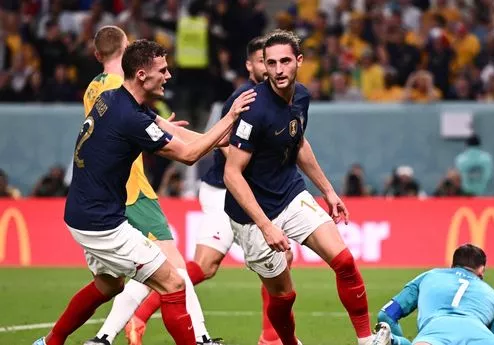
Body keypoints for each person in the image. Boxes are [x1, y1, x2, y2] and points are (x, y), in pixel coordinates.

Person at [32, 39, 255, 345]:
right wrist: (229, 120)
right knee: (173, 283)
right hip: (102, 223)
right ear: (141, 74)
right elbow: (188, 155)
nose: (168, 76)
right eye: (162, 70)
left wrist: (219, 140)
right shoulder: (130, 118)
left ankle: (51, 342)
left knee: (108, 284)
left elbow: (176, 135)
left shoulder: (113, 99)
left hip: (81, 211)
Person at [125, 35, 291, 345]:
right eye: (261, 62)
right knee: (218, 264)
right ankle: (140, 313)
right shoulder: (245, 98)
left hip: (243, 193)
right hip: (225, 193)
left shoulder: (275, 99)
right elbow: (231, 152)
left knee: (229, 264)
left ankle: (270, 338)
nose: (268, 69)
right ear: (250, 65)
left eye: (272, 62)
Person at [223, 29, 373, 345]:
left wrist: (329, 191)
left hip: (290, 193)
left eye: (285, 61)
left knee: (344, 262)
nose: (278, 70)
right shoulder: (254, 108)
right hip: (253, 216)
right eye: (271, 62)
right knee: (283, 297)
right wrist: (265, 226)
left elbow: (299, 142)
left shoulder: (301, 96)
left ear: (298, 61)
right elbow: (232, 174)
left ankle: (366, 340)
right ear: (263, 64)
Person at [79, 26, 221, 345]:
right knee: (171, 267)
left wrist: (160, 124)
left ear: (97, 54)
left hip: (106, 190)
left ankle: (104, 335)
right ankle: (196, 336)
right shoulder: (124, 87)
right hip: (133, 188)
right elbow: (179, 149)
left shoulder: (96, 88)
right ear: (130, 52)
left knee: (140, 273)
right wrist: (218, 135)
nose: (166, 76)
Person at [372, 244, 494, 345]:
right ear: (481, 270)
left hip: (434, 335)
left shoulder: (429, 276)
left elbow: (386, 314)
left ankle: (393, 340)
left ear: (453, 265)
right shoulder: (493, 295)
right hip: (477, 335)